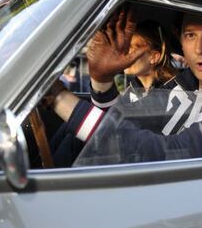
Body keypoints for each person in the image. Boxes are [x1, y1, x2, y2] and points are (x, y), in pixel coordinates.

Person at [48, 11, 202, 166]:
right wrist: (101, 80)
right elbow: (124, 125)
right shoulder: (182, 83)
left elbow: (172, 155)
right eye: (190, 35)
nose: (199, 49)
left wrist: (58, 97)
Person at [49, 9, 177, 165]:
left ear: (154, 57)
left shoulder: (170, 93)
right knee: (70, 130)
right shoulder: (133, 88)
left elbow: (121, 128)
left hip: (137, 157)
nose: (125, 53)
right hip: (119, 147)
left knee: (77, 138)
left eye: (133, 48)